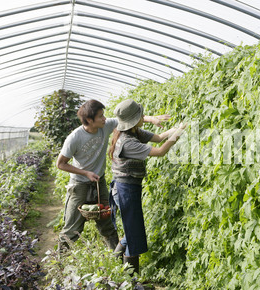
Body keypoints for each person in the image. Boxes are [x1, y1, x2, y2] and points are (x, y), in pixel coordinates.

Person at [56, 99, 170, 252]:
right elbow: (61, 164)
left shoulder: (105, 125)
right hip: (79, 184)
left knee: (107, 222)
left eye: (104, 115)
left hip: (99, 180)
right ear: (90, 120)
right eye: (101, 116)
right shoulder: (74, 138)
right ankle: (60, 261)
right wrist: (86, 173)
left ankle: (115, 261)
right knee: (72, 227)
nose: (105, 119)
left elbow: (128, 119)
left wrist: (151, 119)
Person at [108, 99, 186, 275]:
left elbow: (158, 138)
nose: (144, 117)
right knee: (134, 234)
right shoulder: (128, 142)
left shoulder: (131, 131)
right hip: (125, 191)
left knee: (131, 231)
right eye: (141, 115)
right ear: (135, 120)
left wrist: (175, 129)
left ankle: (114, 264)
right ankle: (132, 281)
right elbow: (160, 151)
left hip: (127, 189)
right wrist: (177, 135)